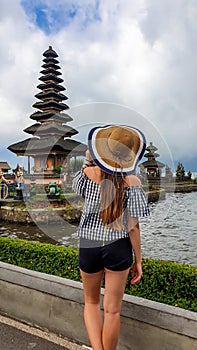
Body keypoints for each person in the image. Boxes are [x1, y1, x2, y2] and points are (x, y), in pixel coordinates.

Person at [72, 125, 150, 350]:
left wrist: (88, 161)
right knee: (113, 310)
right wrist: (138, 260)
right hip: (118, 248)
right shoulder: (133, 183)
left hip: (88, 246)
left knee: (91, 303)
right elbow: (133, 228)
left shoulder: (87, 175)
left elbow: (76, 187)